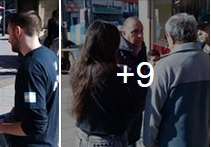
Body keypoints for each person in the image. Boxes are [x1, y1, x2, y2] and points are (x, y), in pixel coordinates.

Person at [70, 20, 146, 147]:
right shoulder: (112, 72)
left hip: (83, 134)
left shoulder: (77, 68)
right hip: (107, 138)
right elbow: (134, 105)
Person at [0, 11, 59, 146]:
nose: (8, 39)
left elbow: (36, 125)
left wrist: (0, 127)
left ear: (17, 31)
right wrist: (21, 109)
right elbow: (43, 96)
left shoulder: (31, 68)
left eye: (9, 33)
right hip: (50, 139)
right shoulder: (49, 56)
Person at [143, 13, 210, 147]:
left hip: (171, 142)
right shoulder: (207, 61)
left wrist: (148, 143)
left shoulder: (165, 66)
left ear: (171, 37)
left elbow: (153, 113)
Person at [117, 17, 148, 147]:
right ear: (124, 33)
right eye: (135, 32)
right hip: (123, 110)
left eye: (141, 31)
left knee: (133, 140)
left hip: (138, 105)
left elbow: (144, 71)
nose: (140, 35)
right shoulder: (117, 51)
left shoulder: (141, 47)